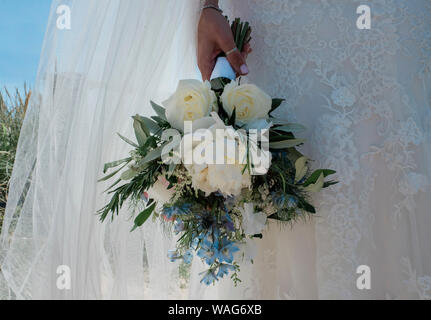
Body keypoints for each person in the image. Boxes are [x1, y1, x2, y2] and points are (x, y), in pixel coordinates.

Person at [1, 0, 430, 300]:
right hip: (283, 21)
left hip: (401, 20)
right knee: (300, 186)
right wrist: (208, 3)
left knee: (391, 166)